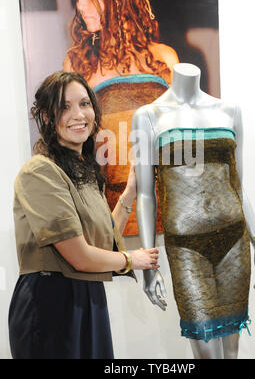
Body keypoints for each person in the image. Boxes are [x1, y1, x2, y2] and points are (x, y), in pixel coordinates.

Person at [8, 71, 160, 360]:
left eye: (84, 104)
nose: (78, 114)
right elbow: (78, 255)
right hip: (49, 304)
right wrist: (132, 259)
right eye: (64, 107)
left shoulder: (86, 171)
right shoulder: (39, 171)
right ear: (47, 117)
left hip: (87, 298)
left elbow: (100, 244)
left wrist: (128, 195)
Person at [131, 63, 255, 359]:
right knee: (206, 352)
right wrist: (149, 264)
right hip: (185, 248)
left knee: (231, 352)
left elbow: (238, 185)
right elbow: (146, 195)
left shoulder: (229, 111)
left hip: (234, 241)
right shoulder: (148, 116)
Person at [63, 0, 179, 235]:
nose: (81, 5)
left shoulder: (165, 59)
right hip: (110, 226)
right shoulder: (77, 65)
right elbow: (71, 154)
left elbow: (185, 147)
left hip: (170, 220)